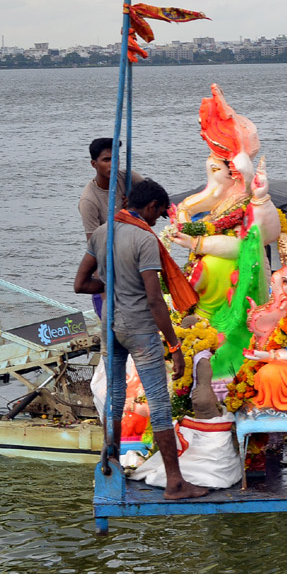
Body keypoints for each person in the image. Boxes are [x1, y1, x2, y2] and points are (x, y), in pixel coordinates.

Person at [74, 178, 207, 500]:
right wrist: (174, 346)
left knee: (115, 397)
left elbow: (81, 284)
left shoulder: (104, 232)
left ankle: (110, 466)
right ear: (150, 207)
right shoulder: (144, 239)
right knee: (160, 404)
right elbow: (154, 300)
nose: (156, 221)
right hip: (138, 329)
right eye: (159, 214)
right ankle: (175, 483)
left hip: (110, 325)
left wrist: (113, 290)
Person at [78, 137, 144, 242]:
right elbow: (94, 245)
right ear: (94, 164)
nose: (112, 164)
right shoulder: (89, 200)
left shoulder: (129, 178)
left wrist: (137, 202)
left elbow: (156, 200)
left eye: (115, 159)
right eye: (106, 160)